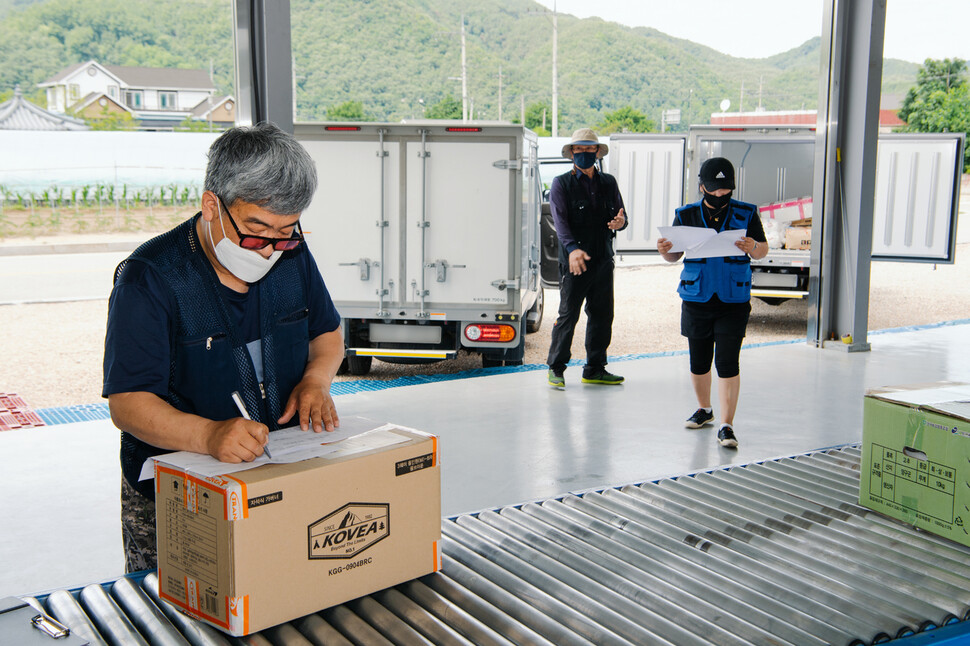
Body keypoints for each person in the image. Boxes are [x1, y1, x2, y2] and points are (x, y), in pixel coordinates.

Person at [102, 122, 344, 572]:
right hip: (178, 493)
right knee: (177, 618)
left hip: (275, 477)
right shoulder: (151, 279)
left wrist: (315, 380)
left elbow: (327, 334)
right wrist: (208, 435)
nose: (269, 249)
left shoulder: (290, 254)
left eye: (287, 232)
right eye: (256, 231)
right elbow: (128, 404)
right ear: (212, 206)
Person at [656, 157, 768, 448]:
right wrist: (664, 250)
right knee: (699, 360)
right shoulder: (686, 214)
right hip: (697, 297)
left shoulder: (746, 212)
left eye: (725, 190)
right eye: (714, 189)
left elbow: (762, 250)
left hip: (733, 298)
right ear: (702, 186)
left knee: (728, 362)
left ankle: (727, 425)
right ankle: (705, 410)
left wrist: (753, 246)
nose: (720, 195)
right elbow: (673, 256)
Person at [546, 127, 628, 389]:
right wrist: (572, 249)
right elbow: (560, 221)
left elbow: (621, 217)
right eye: (578, 149)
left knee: (603, 315)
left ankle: (595, 368)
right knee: (568, 315)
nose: (584, 153)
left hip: (603, 259)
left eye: (588, 149)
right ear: (571, 153)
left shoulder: (608, 183)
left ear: (597, 152)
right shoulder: (561, 184)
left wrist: (621, 223)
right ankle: (556, 368)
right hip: (575, 261)